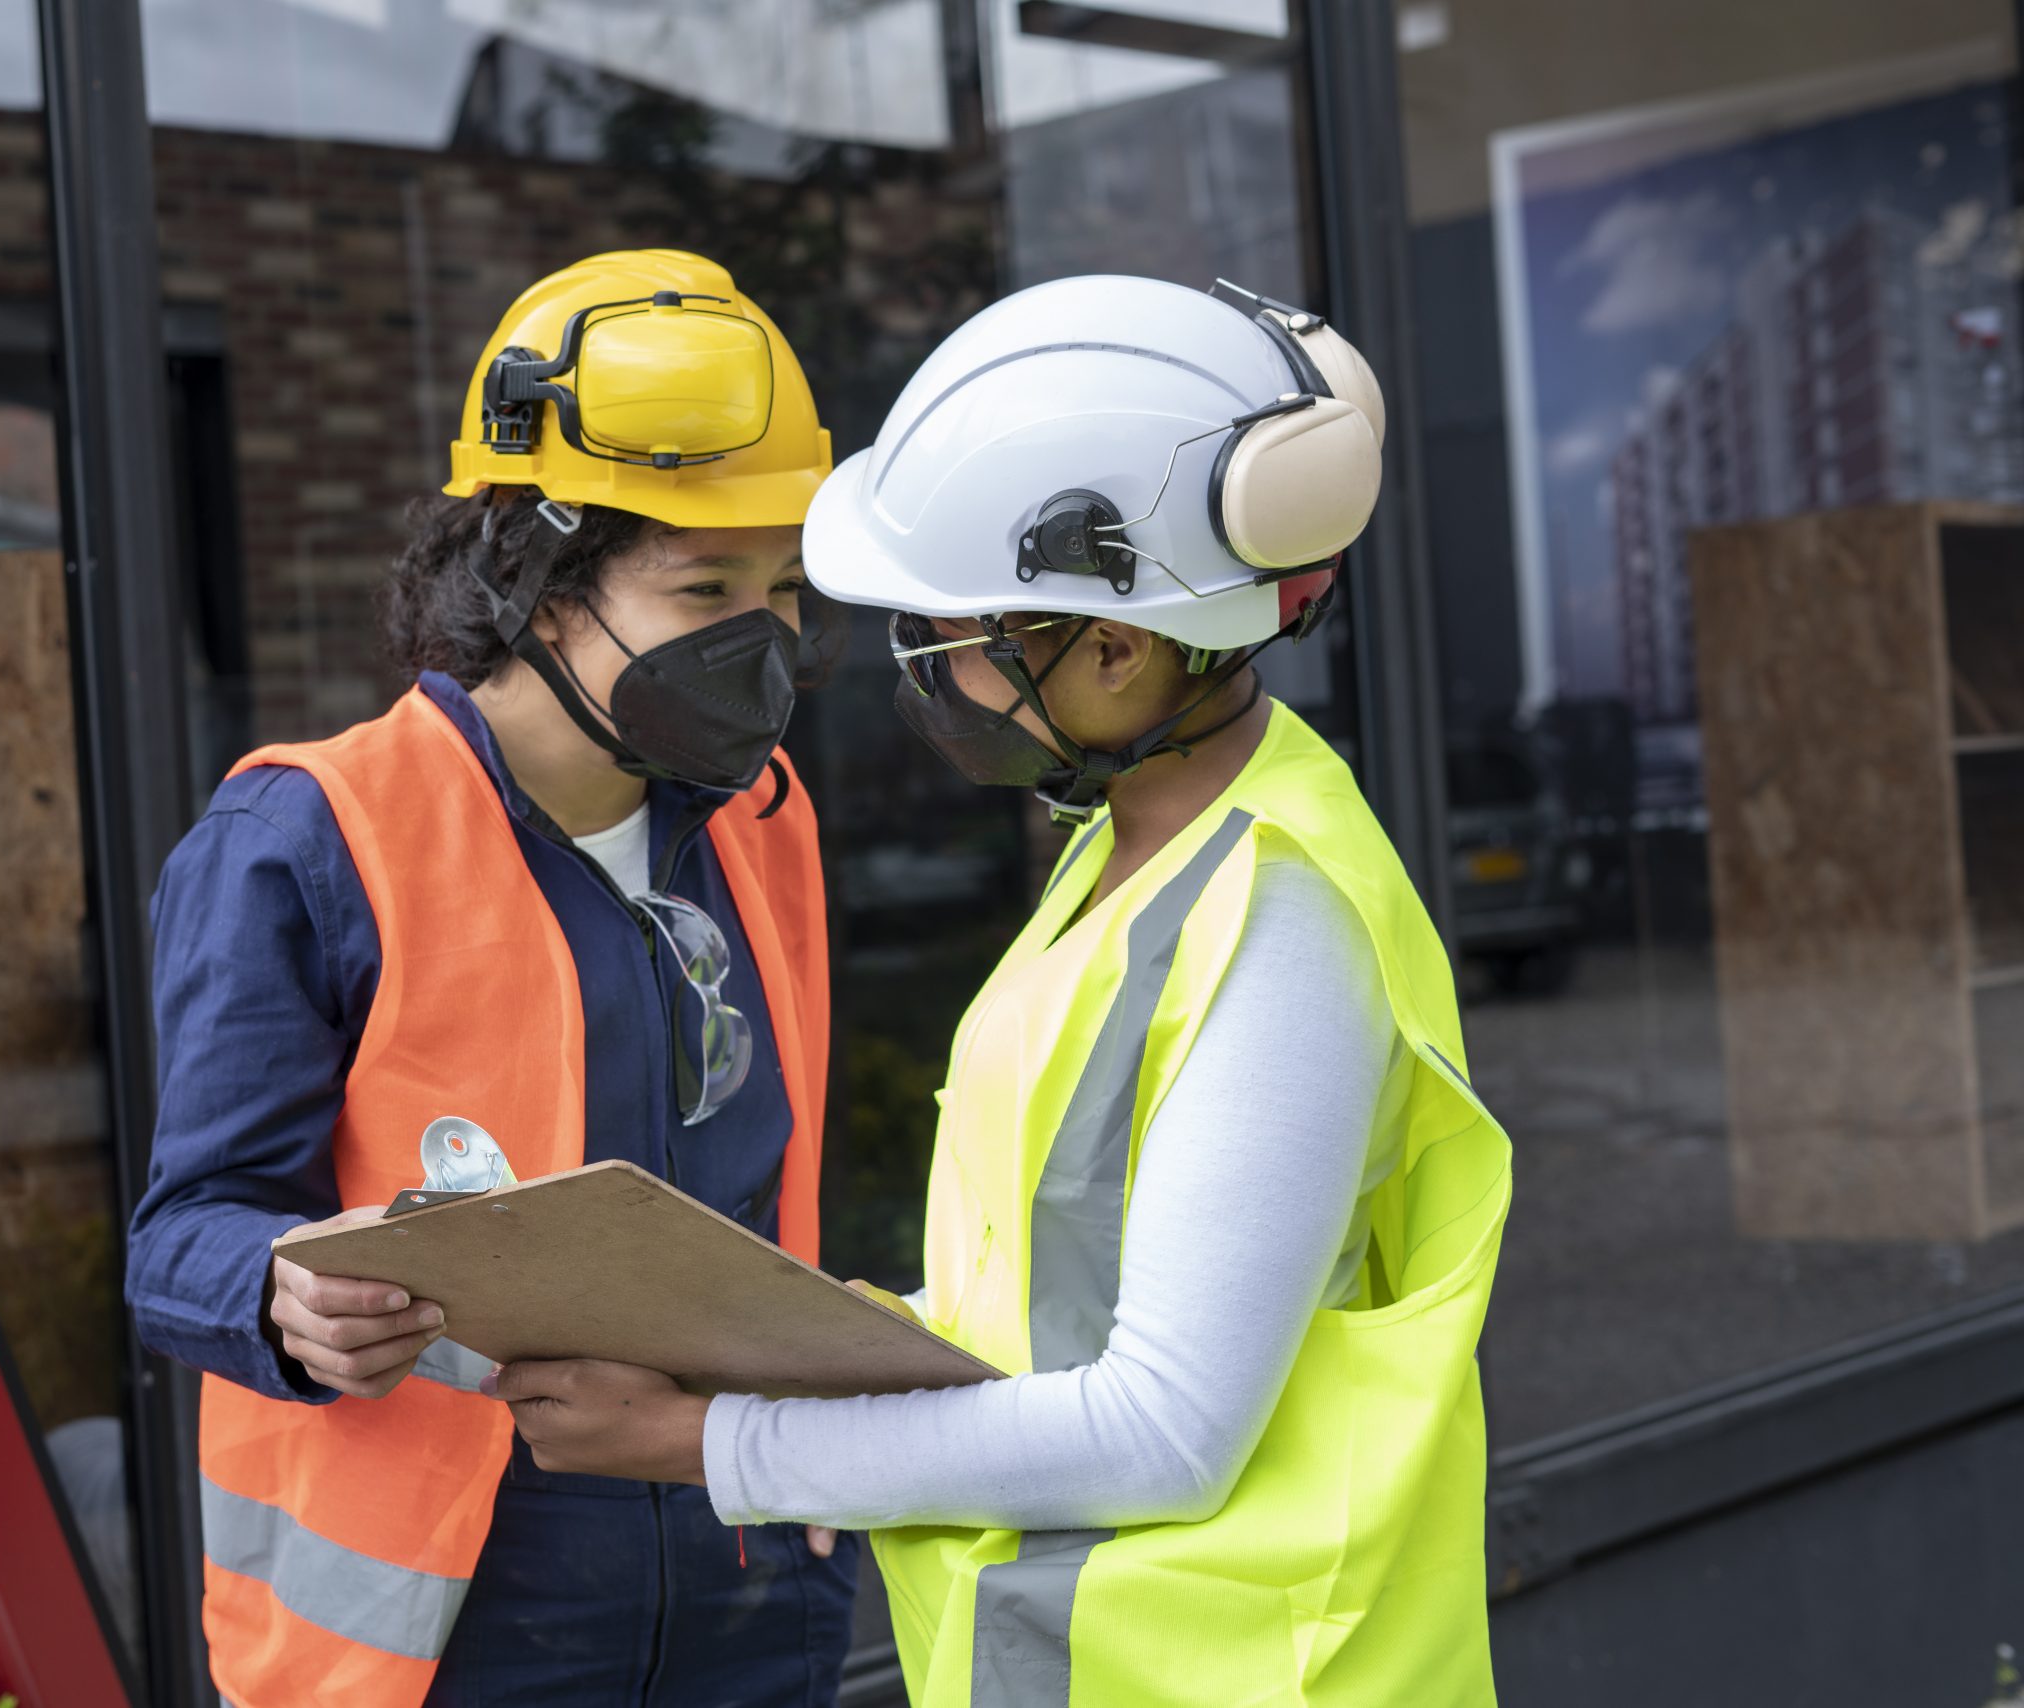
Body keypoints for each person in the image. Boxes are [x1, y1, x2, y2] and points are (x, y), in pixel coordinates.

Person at [485, 275, 1515, 1707]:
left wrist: (704, 1440)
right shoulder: (1128, 857)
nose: (927, 667)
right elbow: (1055, 1304)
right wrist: (794, 1358)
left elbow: (1164, 1429)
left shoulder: (1281, 925)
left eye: (960, 633)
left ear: (1115, 648)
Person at [127, 250, 856, 1707]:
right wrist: (280, 1297)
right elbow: (180, 1237)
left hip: (752, 1587)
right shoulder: (307, 840)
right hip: (452, 1636)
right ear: (532, 573)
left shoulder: (766, 819)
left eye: (781, 585)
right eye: (704, 582)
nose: (761, 640)